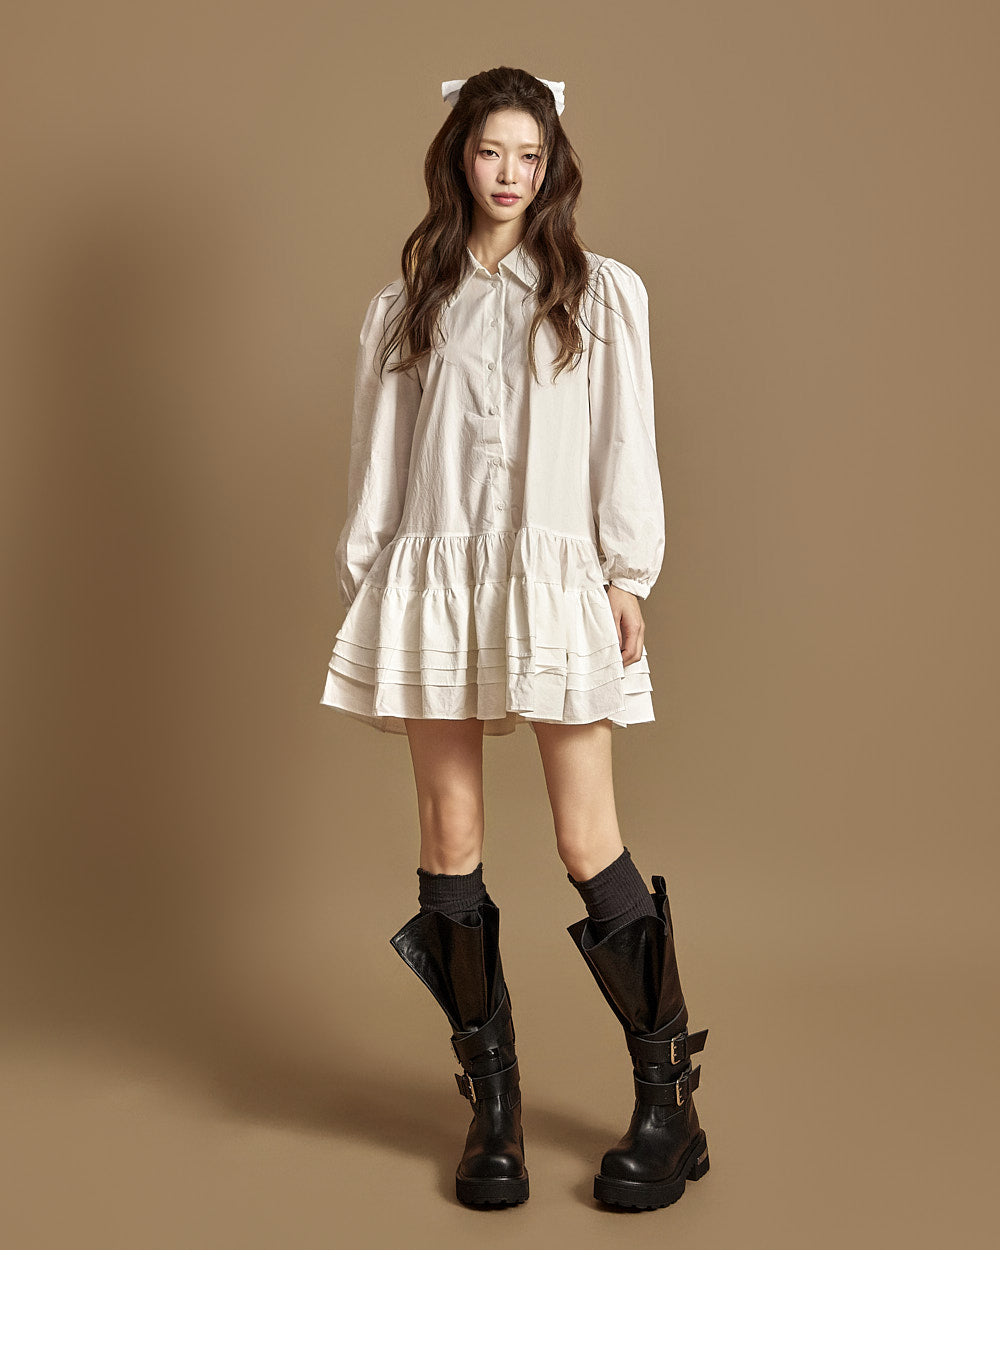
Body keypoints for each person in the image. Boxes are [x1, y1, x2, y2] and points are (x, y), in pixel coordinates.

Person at [319, 66, 709, 1211]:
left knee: (586, 839)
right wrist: (372, 580)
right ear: (459, 156)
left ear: (551, 166)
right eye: (490, 151)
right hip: (433, 579)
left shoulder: (600, 292)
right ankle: (492, 1114)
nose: (508, 174)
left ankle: (669, 1108)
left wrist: (625, 575)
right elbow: (379, 459)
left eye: (528, 156)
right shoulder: (408, 304)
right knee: (449, 837)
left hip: (552, 579)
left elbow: (624, 441)